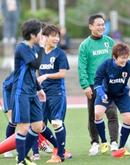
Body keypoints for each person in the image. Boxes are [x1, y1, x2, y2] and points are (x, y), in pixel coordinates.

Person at [78, 14, 119, 156]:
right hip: (93, 85)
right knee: (93, 116)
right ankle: (95, 143)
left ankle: (114, 142)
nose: (102, 27)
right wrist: (85, 86)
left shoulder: (110, 42)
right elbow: (81, 67)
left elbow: (117, 62)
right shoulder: (85, 45)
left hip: (110, 85)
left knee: (112, 113)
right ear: (91, 26)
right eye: (98, 25)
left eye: (103, 24)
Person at [94, 43, 130, 158]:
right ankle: (104, 142)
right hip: (106, 93)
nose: (124, 60)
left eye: (126, 57)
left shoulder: (129, 65)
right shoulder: (106, 64)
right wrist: (101, 93)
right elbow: (97, 80)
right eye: (122, 58)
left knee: (128, 118)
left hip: (122, 94)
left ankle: (121, 147)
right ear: (114, 57)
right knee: (97, 113)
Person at [11, 19, 45, 165]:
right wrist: (43, 48)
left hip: (31, 92)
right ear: (32, 35)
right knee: (23, 127)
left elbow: (31, 73)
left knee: (38, 126)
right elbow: (36, 65)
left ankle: (23, 155)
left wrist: (39, 89)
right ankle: (21, 160)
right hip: (21, 93)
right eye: (40, 33)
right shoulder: (22, 48)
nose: (42, 35)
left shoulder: (32, 48)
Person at [37, 24, 72, 163]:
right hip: (42, 94)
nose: (56, 38)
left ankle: (59, 155)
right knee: (39, 125)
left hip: (56, 92)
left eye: (58, 36)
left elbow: (62, 73)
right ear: (45, 37)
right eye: (53, 36)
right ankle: (59, 148)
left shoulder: (60, 53)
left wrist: (46, 76)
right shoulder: (39, 53)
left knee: (57, 122)